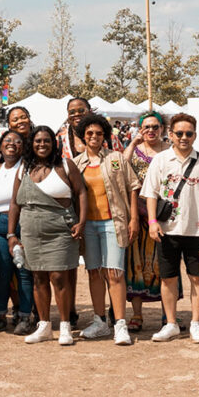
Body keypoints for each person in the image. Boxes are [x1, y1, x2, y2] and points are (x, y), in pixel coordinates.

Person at [141, 112, 199, 344]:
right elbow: (151, 194)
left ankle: (196, 323)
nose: (184, 137)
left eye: (189, 133)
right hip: (167, 230)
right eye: (179, 133)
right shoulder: (161, 160)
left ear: (195, 135)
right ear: (171, 135)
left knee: (197, 278)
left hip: (197, 231)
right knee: (168, 278)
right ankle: (171, 323)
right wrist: (153, 222)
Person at [9, 125, 87, 345]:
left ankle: (65, 327)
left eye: (46, 141)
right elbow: (15, 203)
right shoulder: (23, 168)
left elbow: (81, 192)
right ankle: (43, 326)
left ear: (54, 143)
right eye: (37, 141)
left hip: (60, 229)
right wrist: (11, 234)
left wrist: (81, 222)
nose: (42, 144)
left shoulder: (65, 165)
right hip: (31, 229)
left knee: (59, 277)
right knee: (38, 277)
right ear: (31, 144)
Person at [73, 114, 140, 345]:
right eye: (89, 133)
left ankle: (120, 324)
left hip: (114, 222)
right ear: (83, 135)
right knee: (94, 272)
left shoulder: (116, 158)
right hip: (88, 225)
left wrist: (133, 219)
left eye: (99, 133)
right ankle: (100, 321)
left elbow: (133, 186)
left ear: (105, 136)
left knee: (115, 272)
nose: (94, 137)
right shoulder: (76, 163)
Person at [122, 110, 171, 332]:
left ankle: (167, 314)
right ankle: (137, 314)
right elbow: (120, 167)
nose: (151, 131)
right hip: (138, 213)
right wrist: (133, 143)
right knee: (136, 265)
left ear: (162, 128)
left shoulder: (170, 151)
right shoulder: (135, 151)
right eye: (146, 127)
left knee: (165, 265)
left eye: (155, 127)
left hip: (164, 214)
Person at [0, 129, 34, 334]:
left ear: (23, 147)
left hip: (22, 223)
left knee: (23, 272)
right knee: (1, 272)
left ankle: (24, 316)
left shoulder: (27, 168)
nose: (11, 143)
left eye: (17, 141)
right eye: (7, 140)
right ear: (0, 146)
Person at [57, 97, 123, 160]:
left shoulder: (109, 138)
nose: (76, 114)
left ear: (90, 111)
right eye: (72, 112)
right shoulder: (60, 141)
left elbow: (121, 162)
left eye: (81, 110)